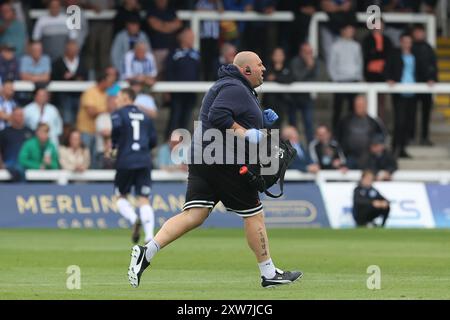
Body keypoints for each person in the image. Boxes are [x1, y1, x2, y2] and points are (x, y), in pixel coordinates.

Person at [127, 51, 302, 289]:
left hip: (203, 159)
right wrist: (245, 133)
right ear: (246, 70)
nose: (264, 68)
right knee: (254, 214)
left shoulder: (233, 86)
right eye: (260, 65)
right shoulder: (235, 87)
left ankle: (146, 252)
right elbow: (218, 115)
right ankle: (268, 272)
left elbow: (228, 114)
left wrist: (260, 118)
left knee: (194, 215)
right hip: (224, 161)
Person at [110, 88, 157, 244]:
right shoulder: (145, 116)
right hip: (144, 160)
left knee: (120, 196)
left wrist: (114, 146)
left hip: (125, 160)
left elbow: (116, 129)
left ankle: (133, 218)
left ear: (126, 98)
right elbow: (153, 141)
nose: (116, 100)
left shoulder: (118, 113)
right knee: (144, 199)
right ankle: (149, 236)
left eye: (118, 97)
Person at [385, 32, 417, 158]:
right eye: (404, 41)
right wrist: (389, 79)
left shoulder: (415, 55)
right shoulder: (395, 55)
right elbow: (388, 69)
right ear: (401, 42)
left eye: (409, 41)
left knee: (408, 122)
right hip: (399, 92)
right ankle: (395, 148)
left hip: (413, 92)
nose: (406, 44)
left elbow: (420, 70)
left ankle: (403, 148)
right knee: (399, 122)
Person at [165, 28, 200, 137]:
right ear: (182, 38)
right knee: (175, 115)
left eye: (193, 37)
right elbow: (168, 71)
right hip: (177, 92)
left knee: (187, 116)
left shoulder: (196, 54)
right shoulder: (174, 53)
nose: (192, 39)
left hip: (191, 92)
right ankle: (169, 140)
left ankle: (183, 141)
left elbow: (199, 72)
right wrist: (168, 90)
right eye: (190, 37)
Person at [328, 23, 363, 132]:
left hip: (353, 80)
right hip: (340, 81)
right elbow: (331, 64)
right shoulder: (335, 46)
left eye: (352, 30)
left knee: (353, 109)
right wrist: (335, 79)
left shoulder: (356, 46)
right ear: (342, 31)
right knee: (337, 109)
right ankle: (335, 132)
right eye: (348, 29)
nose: (351, 32)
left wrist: (358, 77)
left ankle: (352, 131)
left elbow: (359, 63)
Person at [76, 71, 114, 168]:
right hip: (86, 130)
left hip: (98, 132)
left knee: (96, 157)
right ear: (102, 81)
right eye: (108, 82)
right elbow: (91, 112)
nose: (110, 84)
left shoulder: (106, 93)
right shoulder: (90, 92)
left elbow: (111, 107)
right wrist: (105, 110)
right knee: (86, 156)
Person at [336, 95, 385, 169]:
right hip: (349, 156)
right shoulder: (345, 121)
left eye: (361, 105)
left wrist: (376, 147)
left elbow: (382, 138)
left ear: (366, 105)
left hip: (368, 157)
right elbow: (338, 137)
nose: (358, 107)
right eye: (357, 105)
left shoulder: (374, 122)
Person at [412, 24, 437, 146]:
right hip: (413, 85)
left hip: (427, 86)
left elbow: (433, 66)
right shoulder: (410, 47)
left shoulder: (428, 48)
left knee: (426, 113)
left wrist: (432, 79)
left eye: (421, 32)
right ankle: (410, 137)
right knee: (411, 113)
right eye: (417, 32)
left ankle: (424, 137)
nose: (419, 34)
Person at [51, 40, 88, 124]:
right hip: (64, 96)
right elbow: (55, 78)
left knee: (79, 120)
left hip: (79, 96)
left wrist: (71, 77)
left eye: (75, 49)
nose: (73, 51)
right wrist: (72, 78)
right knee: (67, 120)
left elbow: (85, 77)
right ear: (66, 50)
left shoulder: (82, 62)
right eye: (70, 49)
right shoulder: (58, 62)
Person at [145, 0, 183, 77]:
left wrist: (163, 25)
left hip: (172, 49)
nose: (162, 1)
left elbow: (179, 24)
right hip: (157, 49)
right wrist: (170, 26)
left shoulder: (171, 11)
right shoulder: (151, 11)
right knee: (156, 75)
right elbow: (155, 25)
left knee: (170, 74)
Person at [290, 43, 319, 143]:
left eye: (310, 52)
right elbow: (297, 77)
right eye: (306, 52)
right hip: (293, 98)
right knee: (293, 125)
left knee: (309, 125)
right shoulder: (295, 61)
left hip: (306, 98)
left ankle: (310, 148)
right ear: (301, 52)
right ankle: (292, 148)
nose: (308, 54)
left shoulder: (314, 62)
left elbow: (316, 79)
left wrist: (310, 66)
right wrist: (308, 68)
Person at [263, 47, 294, 129]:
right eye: (276, 55)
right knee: (267, 126)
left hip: (282, 103)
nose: (278, 57)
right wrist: (280, 78)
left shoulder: (288, 67)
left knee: (279, 126)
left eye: (280, 54)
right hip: (268, 102)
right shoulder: (267, 67)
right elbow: (265, 78)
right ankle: (267, 141)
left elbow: (290, 79)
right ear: (272, 56)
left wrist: (275, 78)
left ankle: (276, 141)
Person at [0, 107, 33, 181]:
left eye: (21, 115)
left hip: (27, 162)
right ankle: (22, 190)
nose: (19, 117)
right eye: (16, 115)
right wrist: (1, 164)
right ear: (12, 116)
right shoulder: (4, 133)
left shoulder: (30, 132)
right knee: (18, 169)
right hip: (10, 163)